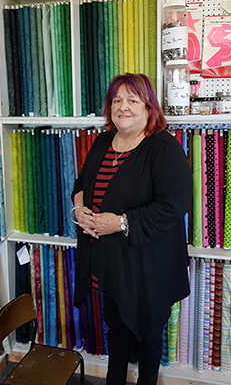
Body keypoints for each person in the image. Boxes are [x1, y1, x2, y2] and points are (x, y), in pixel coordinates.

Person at [71, 73, 192, 385]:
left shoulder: (163, 147)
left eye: (132, 100)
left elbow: (174, 206)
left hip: (147, 266)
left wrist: (121, 222)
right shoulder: (102, 143)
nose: (122, 107)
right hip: (109, 262)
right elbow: (81, 184)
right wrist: (79, 209)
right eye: (117, 100)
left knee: (148, 335)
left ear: (149, 107)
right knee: (117, 329)